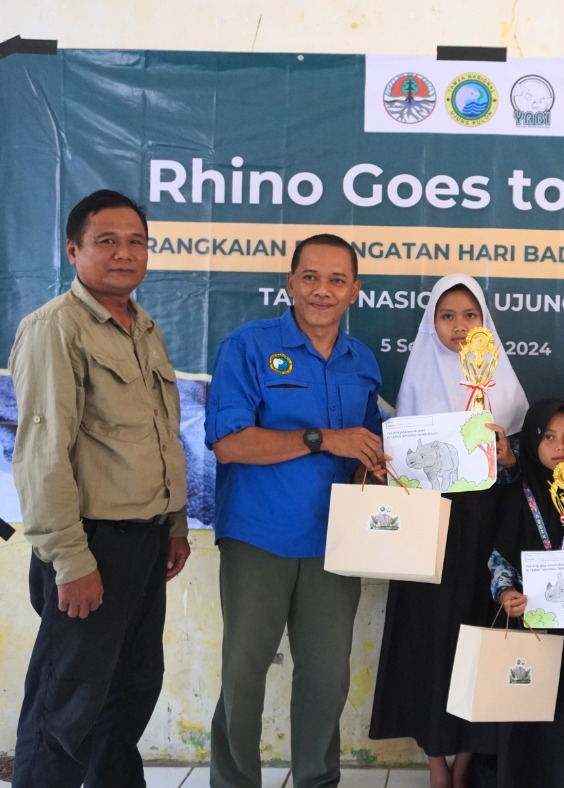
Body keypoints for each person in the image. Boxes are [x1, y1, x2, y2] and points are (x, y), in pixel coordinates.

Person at [9, 189, 191, 788]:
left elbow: (160, 435)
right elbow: (41, 455)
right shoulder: (54, 330)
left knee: (131, 692)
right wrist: (69, 559)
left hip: (142, 544)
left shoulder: (143, 327)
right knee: (65, 707)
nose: (124, 253)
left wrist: (174, 525)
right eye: (106, 241)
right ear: (73, 250)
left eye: (135, 241)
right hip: (90, 548)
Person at [205, 233, 386, 788]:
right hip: (259, 538)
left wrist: (376, 468)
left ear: (355, 291)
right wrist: (322, 439)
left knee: (326, 681)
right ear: (290, 283)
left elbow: (368, 452)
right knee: (243, 676)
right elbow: (229, 443)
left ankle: (315, 781)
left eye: (337, 280)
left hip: (337, 543)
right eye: (310, 277)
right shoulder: (249, 345)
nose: (322, 291)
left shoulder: (364, 361)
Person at [369, 273, 529, 788]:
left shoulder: (502, 383)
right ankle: (436, 762)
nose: (459, 327)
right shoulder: (416, 382)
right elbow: (400, 469)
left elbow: (524, 474)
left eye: (470, 316)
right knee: (430, 645)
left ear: (485, 323)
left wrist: (508, 456)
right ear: (431, 323)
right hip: (428, 537)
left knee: (479, 640)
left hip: (486, 537)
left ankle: (465, 763)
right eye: (447, 316)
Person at [488, 398, 564, 788]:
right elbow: (498, 558)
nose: (561, 447)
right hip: (532, 626)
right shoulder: (517, 494)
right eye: (550, 437)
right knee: (529, 720)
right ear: (533, 443)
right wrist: (506, 595)